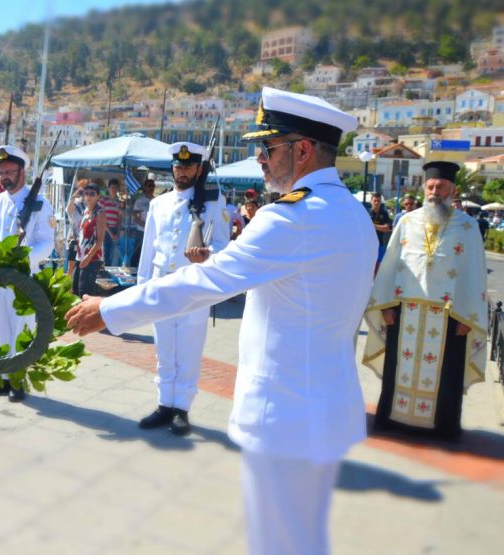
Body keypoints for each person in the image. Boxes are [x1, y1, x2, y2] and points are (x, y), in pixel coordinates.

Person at [67, 87, 376, 555]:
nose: (260, 160)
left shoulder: (292, 217)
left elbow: (204, 282)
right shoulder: (350, 212)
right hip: (326, 408)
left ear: (304, 150)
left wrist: (108, 309)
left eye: (268, 149)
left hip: (284, 414)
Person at [363, 161, 488, 442]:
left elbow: (474, 274)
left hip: (449, 316)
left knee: (445, 374)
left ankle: (442, 428)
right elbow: (391, 264)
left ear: (452, 190)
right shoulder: (407, 222)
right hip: (405, 312)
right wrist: (387, 306)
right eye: (430, 186)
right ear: (424, 188)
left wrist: (468, 316)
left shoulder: (467, 227)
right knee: (399, 369)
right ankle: (394, 421)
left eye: (441, 187)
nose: (435, 191)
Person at [135, 142, 231, 436]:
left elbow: (223, 245)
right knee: (164, 351)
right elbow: (148, 250)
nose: (183, 171)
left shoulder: (214, 202)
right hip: (162, 284)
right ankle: (164, 404)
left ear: (199, 169)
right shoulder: (158, 204)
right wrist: (142, 288)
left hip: (193, 286)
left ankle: (181, 409)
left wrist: (208, 256)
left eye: (189, 166)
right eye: (178, 166)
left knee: (188, 351)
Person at [0, 145, 54, 402]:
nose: (5, 177)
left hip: (23, 280)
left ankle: (18, 382)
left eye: (10, 171)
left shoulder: (40, 204)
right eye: (2, 172)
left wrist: (22, 259)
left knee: (21, 330)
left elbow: (47, 244)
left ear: (22, 172)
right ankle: (3, 379)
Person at [74, 180, 107, 297]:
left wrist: (88, 257)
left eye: (92, 194)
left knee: (84, 293)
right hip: (80, 256)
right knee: (75, 289)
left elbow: (100, 239)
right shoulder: (86, 211)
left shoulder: (100, 212)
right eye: (86, 193)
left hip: (92, 258)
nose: (88, 196)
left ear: (98, 196)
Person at [64, 179, 86, 281]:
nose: (83, 193)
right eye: (81, 190)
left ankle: (76, 286)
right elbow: (69, 210)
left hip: (85, 240)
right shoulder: (76, 203)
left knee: (81, 265)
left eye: (85, 190)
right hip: (75, 239)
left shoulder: (88, 205)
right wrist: (74, 195)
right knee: (71, 265)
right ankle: (68, 288)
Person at [99, 178, 121, 265]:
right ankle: (103, 269)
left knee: (112, 252)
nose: (114, 190)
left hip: (114, 229)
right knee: (104, 251)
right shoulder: (103, 201)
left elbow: (119, 219)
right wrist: (110, 233)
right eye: (112, 187)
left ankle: (108, 269)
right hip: (104, 229)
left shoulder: (118, 203)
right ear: (108, 188)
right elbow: (100, 218)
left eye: (116, 188)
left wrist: (117, 232)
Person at [368, 192, 392, 274]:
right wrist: (379, 227)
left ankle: (375, 284)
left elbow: (387, 228)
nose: (376, 203)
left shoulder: (384, 213)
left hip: (380, 243)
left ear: (381, 201)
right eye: (375, 200)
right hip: (368, 243)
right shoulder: (367, 213)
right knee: (369, 264)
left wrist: (373, 226)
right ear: (371, 201)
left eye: (378, 201)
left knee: (377, 265)